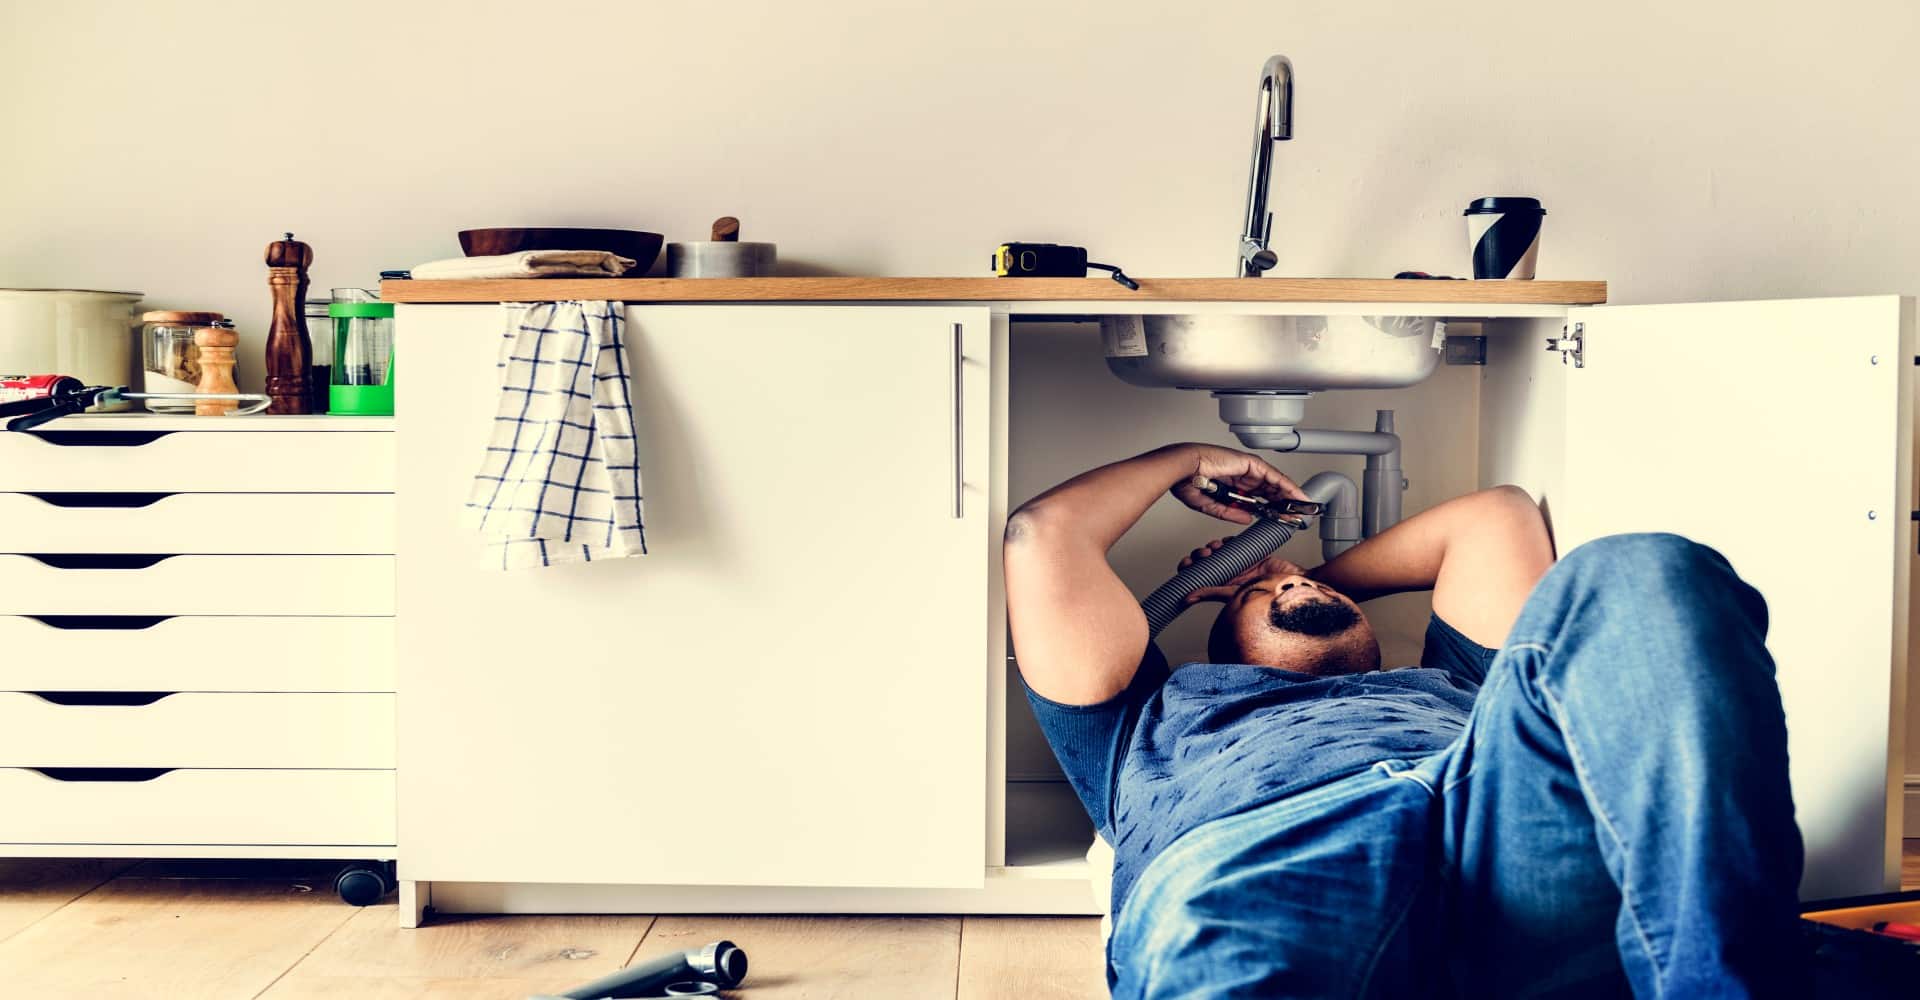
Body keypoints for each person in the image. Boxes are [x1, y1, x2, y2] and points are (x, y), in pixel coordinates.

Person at [1003, 442, 1804, 999]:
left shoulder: (1454, 679)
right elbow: (1044, 536)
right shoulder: (1145, 716)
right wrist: (1184, 459)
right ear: (1221, 646)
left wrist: (1293, 572)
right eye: (1256, 600)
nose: (1283, 594)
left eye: (1292, 591)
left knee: (1644, 572)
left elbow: (1496, 515)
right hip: (1264, 855)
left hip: (1497, 824)